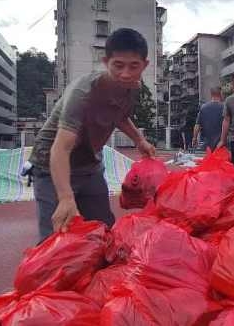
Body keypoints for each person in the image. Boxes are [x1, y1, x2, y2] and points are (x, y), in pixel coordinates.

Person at [28, 28, 157, 244]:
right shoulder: (83, 93)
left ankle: (100, 277)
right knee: (57, 237)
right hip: (51, 166)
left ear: (145, 65)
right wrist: (66, 198)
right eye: (118, 65)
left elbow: (120, 115)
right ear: (106, 61)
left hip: (89, 166)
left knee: (105, 231)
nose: (126, 73)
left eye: (134, 66)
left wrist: (139, 139)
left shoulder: (132, 88)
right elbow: (60, 149)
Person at [193, 87, 224, 152]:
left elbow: (197, 126)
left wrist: (194, 139)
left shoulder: (203, 107)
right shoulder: (225, 107)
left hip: (207, 143)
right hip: (221, 142)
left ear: (211, 95)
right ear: (221, 94)